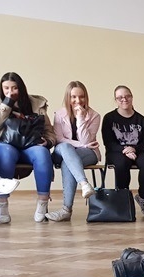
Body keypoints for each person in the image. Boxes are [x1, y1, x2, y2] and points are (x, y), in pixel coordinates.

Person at [0, 72, 55, 223]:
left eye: (14, 88)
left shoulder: (36, 104)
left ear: (21, 88)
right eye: (6, 88)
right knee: (5, 153)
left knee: (42, 154)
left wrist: (48, 142)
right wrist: (7, 104)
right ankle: (1, 203)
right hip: (7, 145)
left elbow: (49, 130)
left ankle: (42, 203)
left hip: (31, 145)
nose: (10, 92)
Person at [45, 81, 101, 222]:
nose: (78, 100)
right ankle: (84, 184)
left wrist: (81, 118)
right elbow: (59, 139)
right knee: (66, 147)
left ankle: (66, 210)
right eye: (73, 97)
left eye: (81, 96)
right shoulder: (59, 114)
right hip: (62, 151)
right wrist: (82, 144)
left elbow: (87, 139)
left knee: (67, 163)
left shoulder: (94, 116)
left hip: (88, 153)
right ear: (68, 98)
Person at [101, 85, 144, 216]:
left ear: (132, 97)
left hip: (137, 151)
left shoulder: (141, 119)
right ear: (115, 100)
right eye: (120, 97)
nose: (124, 99)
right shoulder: (109, 118)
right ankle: (123, 199)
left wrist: (134, 149)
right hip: (116, 152)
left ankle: (143, 197)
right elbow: (108, 142)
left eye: (127, 96)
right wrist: (125, 150)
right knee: (122, 163)